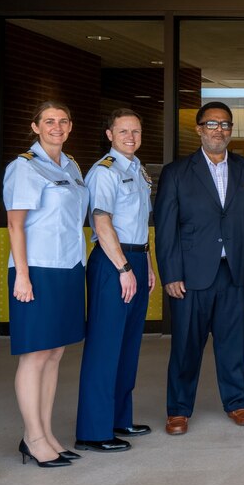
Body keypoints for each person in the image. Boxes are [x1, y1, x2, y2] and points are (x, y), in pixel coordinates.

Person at [155, 101, 244, 435]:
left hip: (236, 273)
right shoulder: (176, 172)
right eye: (211, 124)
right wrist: (171, 273)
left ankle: (237, 402)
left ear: (231, 131)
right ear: (199, 129)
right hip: (191, 276)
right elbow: (166, 229)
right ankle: (178, 410)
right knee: (185, 346)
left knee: (233, 343)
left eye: (224, 125)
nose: (218, 131)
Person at [3, 101, 88, 467]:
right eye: (49, 121)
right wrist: (22, 275)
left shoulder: (71, 165)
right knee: (35, 354)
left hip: (68, 266)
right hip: (36, 269)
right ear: (35, 126)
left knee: (55, 354)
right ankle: (32, 437)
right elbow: (15, 224)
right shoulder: (24, 166)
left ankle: (46, 432)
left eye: (63, 121)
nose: (57, 126)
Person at [75, 109, 156, 451]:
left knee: (128, 346)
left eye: (135, 131)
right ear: (109, 134)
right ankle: (94, 431)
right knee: (105, 347)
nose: (130, 137)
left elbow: (139, 224)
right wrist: (124, 268)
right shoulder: (104, 172)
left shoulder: (137, 170)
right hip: (113, 262)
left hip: (135, 256)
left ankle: (119, 418)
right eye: (123, 131)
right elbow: (101, 222)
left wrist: (146, 265)